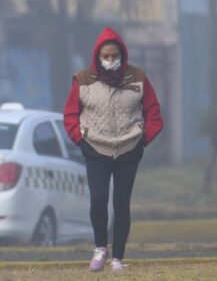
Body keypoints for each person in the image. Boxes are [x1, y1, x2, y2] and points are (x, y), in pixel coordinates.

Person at [63, 27, 163, 273]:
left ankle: (118, 257)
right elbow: (70, 115)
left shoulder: (138, 78)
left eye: (114, 55)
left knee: (121, 203)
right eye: (105, 56)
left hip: (128, 148)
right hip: (96, 147)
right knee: (98, 199)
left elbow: (154, 114)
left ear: (122, 54)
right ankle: (100, 247)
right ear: (97, 56)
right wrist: (81, 137)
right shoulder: (83, 79)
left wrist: (142, 138)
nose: (110, 60)